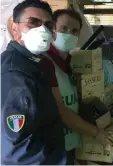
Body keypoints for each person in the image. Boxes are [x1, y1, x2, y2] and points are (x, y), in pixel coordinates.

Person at [39, 9, 113, 164]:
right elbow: (60, 110)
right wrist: (96, 133)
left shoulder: (72, 63)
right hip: (53, 148)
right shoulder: (45, 63)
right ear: (52, 29)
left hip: (72, 141)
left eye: (74, 31)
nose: (69, 34)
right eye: (64, 29)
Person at [1, 0, 67, 164]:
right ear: (15, 28)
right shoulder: (16, 74)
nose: (42, 30)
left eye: (48, 25)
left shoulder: (31, 64)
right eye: (33, 22)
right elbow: (18, 152)